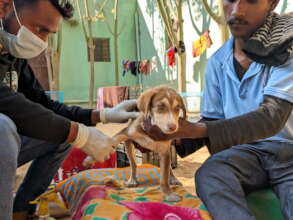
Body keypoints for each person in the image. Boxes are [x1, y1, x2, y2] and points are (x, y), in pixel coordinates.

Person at [144, 0, 293, 219]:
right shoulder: (217, 62)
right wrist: (173, 137)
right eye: (230, 0)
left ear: (272, 4)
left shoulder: (286, 48)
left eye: (251, 0)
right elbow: (213, 121)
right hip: (246, 155)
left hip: (289, 154)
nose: (237, 10)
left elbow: (271, 118)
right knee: (210, 174)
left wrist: (192, 130)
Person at [0, 0, 139, 219]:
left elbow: (43, 104)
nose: (42, 41)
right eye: (39, 29)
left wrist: (101, 115)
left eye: (49, 34)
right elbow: (4, 100)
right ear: (5, 7)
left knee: (61, 134)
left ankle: (21, 212)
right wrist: (80, 135)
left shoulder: (12, 52)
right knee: (3, 127)